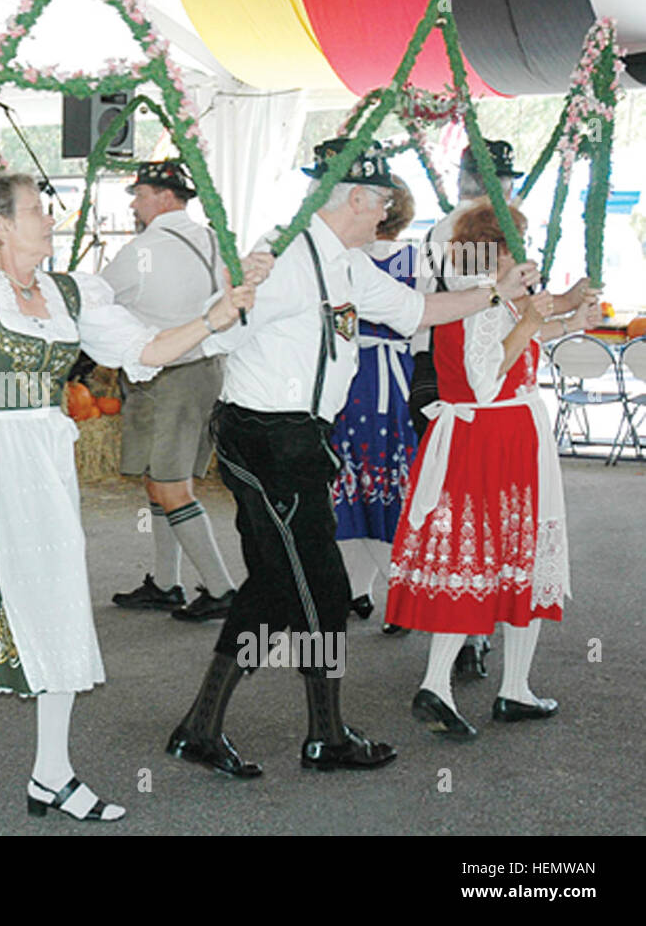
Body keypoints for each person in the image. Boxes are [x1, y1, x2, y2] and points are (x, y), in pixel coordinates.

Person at [0, 172, 260, 821]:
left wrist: (212, 318)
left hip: (47, 463)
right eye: (36, 211)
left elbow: (143, 350)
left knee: (48, 609)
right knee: (13, 613)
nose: (50, 219)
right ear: (0, 226)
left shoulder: (69, 292)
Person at [165, 139, 541, 780]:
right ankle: (326, 736)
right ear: (357, 199)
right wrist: (232, 292)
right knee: (323, 588)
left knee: (272, 586)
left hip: (299, 439)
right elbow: (218, 330)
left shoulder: (345, 261)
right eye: (384, 204)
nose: (389, 217)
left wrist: (494, 291)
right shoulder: (284, 258)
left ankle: (201, 729)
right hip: (264, 437)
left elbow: (416, 311)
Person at [388, 201, 597, 740]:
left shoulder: (481, 289)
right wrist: (531, 319)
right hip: (493, 438)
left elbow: (514, 346)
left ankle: (491, 686)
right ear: (498, 245)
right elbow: (485, 375)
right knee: (497, 556)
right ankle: (486, 686)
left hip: (496, 434)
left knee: (492, 558)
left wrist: (563, 319)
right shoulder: (485, 295)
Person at [99, 160, 242, 623]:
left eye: (139, 195)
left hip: (166, 376)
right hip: (205, 368)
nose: (135, 204)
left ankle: (222, 589)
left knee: (170, 484)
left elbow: (99, 300)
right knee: (158, 478)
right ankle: (165, 582)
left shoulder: (143, 249)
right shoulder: (216, 240)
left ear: (164, 197)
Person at [332, 175, 419, 620]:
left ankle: (365, 589)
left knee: (356, 476)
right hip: (396, 376)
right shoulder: (414, 258)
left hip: (353, 376)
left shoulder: (344, 257)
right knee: (385, 478)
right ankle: (374, 591)